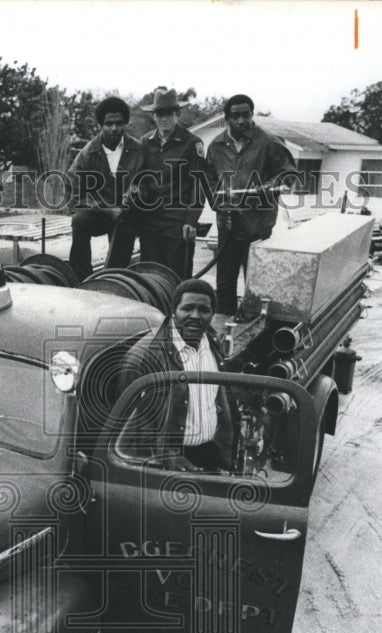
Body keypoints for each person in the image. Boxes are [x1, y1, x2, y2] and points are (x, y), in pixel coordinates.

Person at [116, 278, 233, 470]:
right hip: (169, 463)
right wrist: (164, 456)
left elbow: (220, 398)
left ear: (213, 314)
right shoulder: (145, 356)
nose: (195, 316)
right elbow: (132, 421)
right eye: (187, 308)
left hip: (210, 454)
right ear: (173, 311)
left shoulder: (212, 342)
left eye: (204, 310)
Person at [205, 94, 296, 315]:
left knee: (256, 285)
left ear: (252, 115)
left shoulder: (269, 142)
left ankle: (253, 326)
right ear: (227, 118)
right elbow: (208, 181)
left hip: (258, 227)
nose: (241, 121)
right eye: (235, 116)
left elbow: (288, 174)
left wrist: (268, 186)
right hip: (227, 226)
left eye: (246, 115)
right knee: (225, 282)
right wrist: (219, 204)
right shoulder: (216, 146)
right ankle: (224, 323)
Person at [66, 96, 144, 279]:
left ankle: (113, 279)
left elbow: (148, 182)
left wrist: (136, 193)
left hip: (127, 216)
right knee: (79, 221)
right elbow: (74, 192)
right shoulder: (87, 153)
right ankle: (81, 278)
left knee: (117, 267)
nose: (114, 128)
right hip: (99, 214)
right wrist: (106, 209)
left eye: (119, 123)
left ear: (125, 123)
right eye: (109, 124)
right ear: (101, 125)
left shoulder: (138, 149)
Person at [132, 89, 205, 279]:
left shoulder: (192, 143)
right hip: (150, 221)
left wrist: (191, 221)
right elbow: (139, 180)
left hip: (178, 222)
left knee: (177, 276)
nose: (164, 119)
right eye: (159, 114)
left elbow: (199, 184)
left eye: (169, 114)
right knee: (151, 276)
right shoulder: (145, 142)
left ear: (177, 114)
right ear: (154, 117)